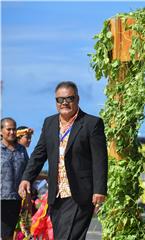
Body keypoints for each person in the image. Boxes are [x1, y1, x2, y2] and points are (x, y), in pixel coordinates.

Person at [18, 81, 108, 240]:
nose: (64, 103)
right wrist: (26, 178)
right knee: (62, 235)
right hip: (56, 194)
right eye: (60, 99)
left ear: (78, 99)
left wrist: (99, 189)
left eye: (69, 98)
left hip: (80, 193)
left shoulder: (91, 123)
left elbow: (100, 159)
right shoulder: (49, 123)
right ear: (56, 101)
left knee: (68, 236)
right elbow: (39, 154)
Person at [1, 117, 29, 240]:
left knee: (9, 233)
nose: (12, 132)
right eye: (8, 129)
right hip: (1, 198)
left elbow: (28, 172)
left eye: (14, 129)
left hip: (15, 198)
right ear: (1, 131)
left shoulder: (21, 150)